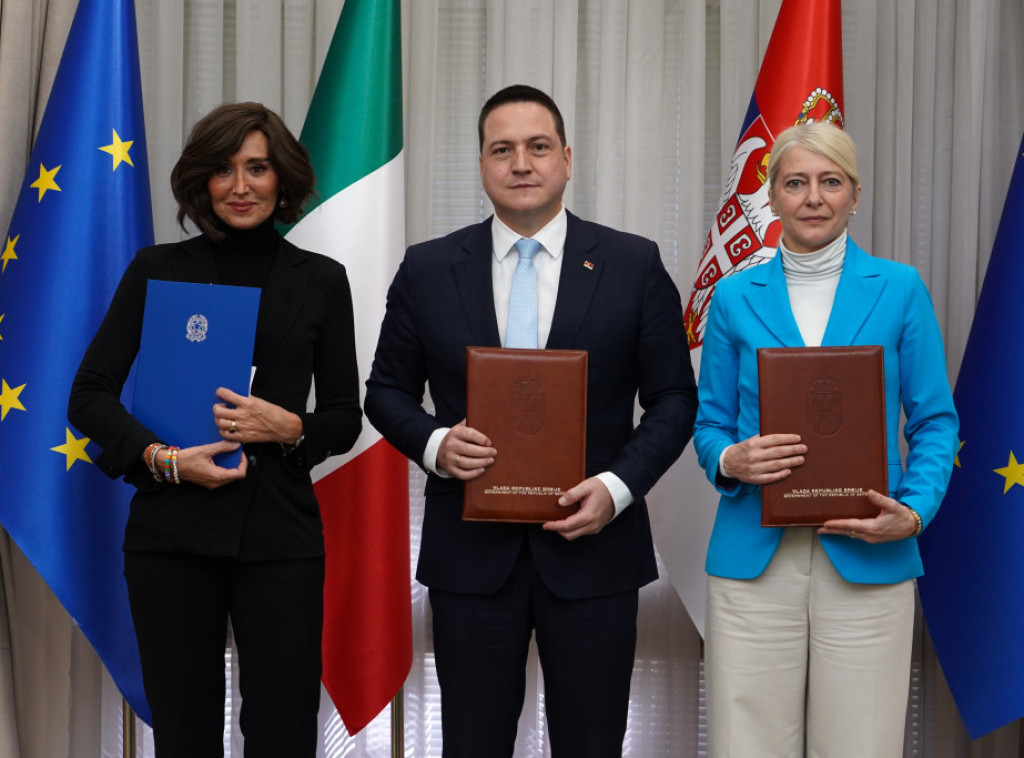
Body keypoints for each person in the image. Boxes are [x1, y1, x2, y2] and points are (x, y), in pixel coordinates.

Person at [364, 84, 696, 757]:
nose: (521, 163)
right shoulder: (429, 269)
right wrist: (435, 444)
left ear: (566, 160)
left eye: (538, 147)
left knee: (592, 745)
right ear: (481, 165)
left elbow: (674, 399)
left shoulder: (632, 264)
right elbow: (385, 393)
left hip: (595, 553)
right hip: (470, 561)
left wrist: (617, 488)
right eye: (503, 149)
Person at [68, 102, 361, 757]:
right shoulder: (156, 269)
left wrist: (289, 426)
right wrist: (163, 459)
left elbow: (345, 418)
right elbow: (88, 395)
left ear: (282, 179)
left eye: (257, 168)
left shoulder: (322, 281)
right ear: (202, 182)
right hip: (170, 536)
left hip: (280, 540)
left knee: (284, 736)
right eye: (224, 170)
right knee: (185, 737)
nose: (241, 186)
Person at [694, 121, 959, 757]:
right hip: (754, 559)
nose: (813, 197)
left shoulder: (900, 289)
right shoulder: (732, 296)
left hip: (869, 551)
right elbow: (710, 425)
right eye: (795, 183)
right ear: (772, 197)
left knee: (861, 745)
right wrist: (730, 458)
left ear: (855, 195)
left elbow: (934, 422)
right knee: (746, 745)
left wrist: (914, 512)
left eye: (830, 182)